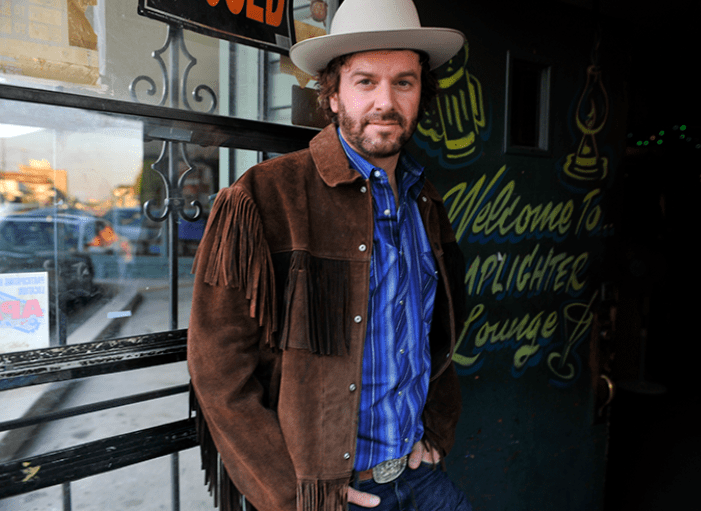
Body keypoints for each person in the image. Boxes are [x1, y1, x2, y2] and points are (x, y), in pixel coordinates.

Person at [187, 0, 469, 510]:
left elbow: (436, 334)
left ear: (420, 93)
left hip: (420, 476)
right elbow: (218, 371)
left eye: (403, 82)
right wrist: (290, 497)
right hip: (329, 496)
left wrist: (437, 431)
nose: (385, 101)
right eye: (365, 82)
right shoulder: (264, 198)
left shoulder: (425, 200)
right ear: (334, 95)